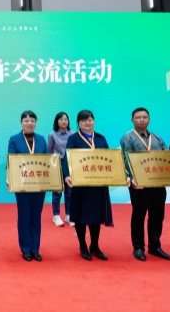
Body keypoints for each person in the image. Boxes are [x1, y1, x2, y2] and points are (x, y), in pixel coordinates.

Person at [120, 107, 170, 262]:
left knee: (157, 215)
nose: (142, 120)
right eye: (138, 117)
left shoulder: (157, 138)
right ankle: (138, 247)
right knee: (139, 215)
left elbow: (167, 157)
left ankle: (155, 246)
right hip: (139, 184)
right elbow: (125, 159)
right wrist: (132, 178)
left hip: (157, 182)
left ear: (149, 119)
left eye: (145, 117)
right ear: (132, 120)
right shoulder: (128, 138)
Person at [62, 110, 113, 261]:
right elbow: (67, 158)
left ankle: (95, 246)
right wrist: (66, 175)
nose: (87, 123)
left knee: (97, 215)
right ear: (78, 123)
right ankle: (83, 245)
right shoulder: (73, 138)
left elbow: (110, 158)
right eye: (84, 120)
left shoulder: (101, 138)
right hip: (80, 184)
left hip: (98, 183)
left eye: (90, 120)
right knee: (80, 215)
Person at [8, 111, 48, 262]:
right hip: (22, 184)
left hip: (39, 184)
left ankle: (35, 249)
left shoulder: (41, 139)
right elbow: (11, 160)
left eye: (32, 121)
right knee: (25, 215)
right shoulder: (14, 139)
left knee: (36, 216)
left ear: (35, 123)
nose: (29, 123)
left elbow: (47, 161)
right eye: (26, 121)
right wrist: (10, 177)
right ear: (21, 123)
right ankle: (26, 248)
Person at [48, 112, 74, 227]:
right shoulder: (52, 135)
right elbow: (49, 151)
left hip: (70, 164)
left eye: (65, 119)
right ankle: (56, 215)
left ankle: (69, 215)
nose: (64, 121)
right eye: (61, 119)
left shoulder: (73, 134)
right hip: (57, 163)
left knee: (70, 192)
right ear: (57, 121)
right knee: (57, 191)